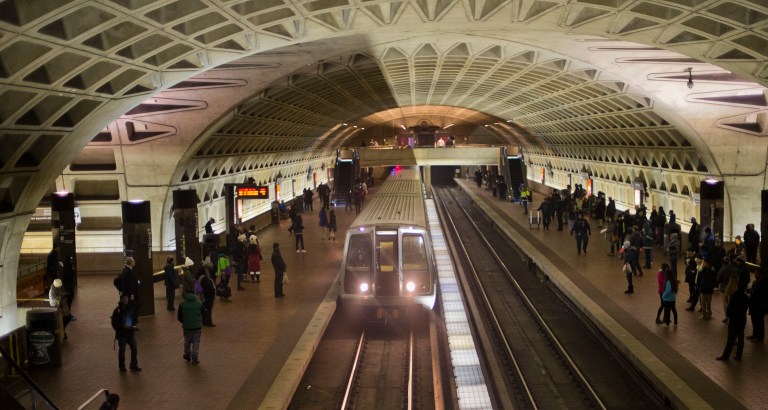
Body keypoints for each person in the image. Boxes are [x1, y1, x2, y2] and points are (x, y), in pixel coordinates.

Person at [717, 282, 749, 361]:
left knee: (730, 338)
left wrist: (729, 316)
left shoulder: (734, 296)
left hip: (734, 320)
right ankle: (739, 356)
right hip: (742, 320)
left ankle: (726, 356)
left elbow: (729, 308)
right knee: (741, 338)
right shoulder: (746, 297)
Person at [111, 294, 140, 372]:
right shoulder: (117, 311)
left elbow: (134, 318)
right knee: (122, 351)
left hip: (130, 333)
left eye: (127, 299)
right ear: (121, 300)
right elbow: (114, 323)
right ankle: (122, 367)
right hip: (122, 335)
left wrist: (133, 326)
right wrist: (122, 327)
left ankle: (134, 365)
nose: (126, 300)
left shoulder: (131, 308)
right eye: (124, 299)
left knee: (134, 349)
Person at [177, 291, 204, 364]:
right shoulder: (199, 303)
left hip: (187, 327)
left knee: (187, 341)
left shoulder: (182, 304)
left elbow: (179, 317)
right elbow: (203, 313)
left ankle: (187, 354)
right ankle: (195, 357)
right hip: (197, 327)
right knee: (196, 342)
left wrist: (184, 322)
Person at [748, 271, 768, 342]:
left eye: (757, 273)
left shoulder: (764, 283)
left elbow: (762, 294)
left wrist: (753, 292)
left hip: (759, 305)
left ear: (761, 274)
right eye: (755, 273)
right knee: (754, 320)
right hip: (753, 304)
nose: (755, 275)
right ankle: (754, 334)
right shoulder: (755, 282)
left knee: (759, 321)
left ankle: (760, 337)